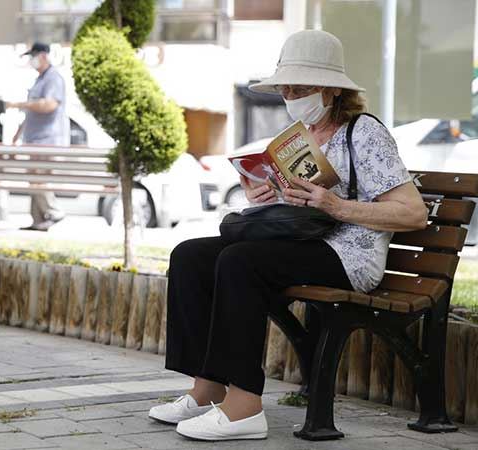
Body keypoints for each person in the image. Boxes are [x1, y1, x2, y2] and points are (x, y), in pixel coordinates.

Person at [148, 30, 428, 441]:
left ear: (332, 91)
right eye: (285, 88)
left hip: (350, 257)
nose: (291, 95)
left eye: (302, 87)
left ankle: (244, 406)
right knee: (190, 255)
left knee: (240, 262)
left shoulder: (365, 133)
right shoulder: (299, 137)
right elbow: (299, 211)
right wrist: (263, 194)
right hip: (303, 244)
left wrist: (337, 206)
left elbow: (414, 213)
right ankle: (207, 388)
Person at [6, 42, 69, 232]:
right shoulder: (39, 79)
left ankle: (54, 211)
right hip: (34, 138)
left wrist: (19, 104)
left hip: (48, 138)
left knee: (37, 179)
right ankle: (38, 221)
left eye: (33, 56)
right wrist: (17, 136)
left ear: (43, 56)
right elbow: (31, 114)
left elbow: (49, 105)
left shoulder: (53, 78)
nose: (31, 61)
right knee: (34, 179)